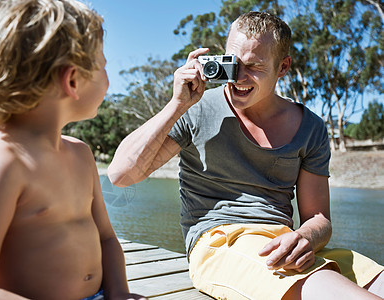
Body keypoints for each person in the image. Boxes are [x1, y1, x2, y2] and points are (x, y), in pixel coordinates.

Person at [108, 11, 383, 300]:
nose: (239, 76)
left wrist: (306, 237)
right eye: (233, 62)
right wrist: (177, 104)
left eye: (253, 66)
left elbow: (319, 218)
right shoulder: (195, 108)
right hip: (219, 244)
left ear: (283, 67)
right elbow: (121, 175)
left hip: (283, 240)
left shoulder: (310, 127)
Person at [0, 1, 146, 299]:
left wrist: (119, 293)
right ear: (72, 79)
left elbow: (106, 238)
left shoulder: (80, 154)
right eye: (103, 66)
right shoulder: (1, 161)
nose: (108, 79)